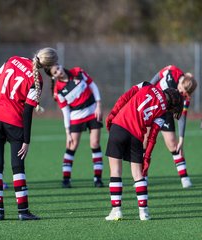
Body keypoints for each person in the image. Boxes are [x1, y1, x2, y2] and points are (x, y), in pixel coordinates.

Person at [0, 47, 58, 221]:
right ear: (48, 66)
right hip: (13, 121)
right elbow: (27, 111)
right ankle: (23, 211)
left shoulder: (13, 58)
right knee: (17, 167)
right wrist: (26, 139)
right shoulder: (37, 78)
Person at [104, 82, 183, 221]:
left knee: (115, 171)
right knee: (138, 174)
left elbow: (124, 97)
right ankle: (144, 212)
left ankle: (116, 211)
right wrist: (147, 157)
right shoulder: (163, 114)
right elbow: (152, 137)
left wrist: (112, 114)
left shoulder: (147, 85)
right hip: (136, 136)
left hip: (119, 126)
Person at [45, 65, 104, 188]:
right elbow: (65, 111)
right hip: (76, 117)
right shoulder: (58, 90)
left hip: (93, 112)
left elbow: (93, 86)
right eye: (55, 72)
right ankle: (66, 179)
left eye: (58, 68)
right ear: (53, 76)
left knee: (95, 143)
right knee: (72, 145)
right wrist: (67, 132)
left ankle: (98, 179)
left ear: (61, 66)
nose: (58, 72)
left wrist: (98, 105)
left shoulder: (77, 72)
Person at [148, 65, 197, 188]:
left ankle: (184, 177)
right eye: (181, 90)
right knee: (144, 141)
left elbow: (181, 117)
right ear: (181, 82)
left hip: (166, 113)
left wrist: (181, 139)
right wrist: (147, 89)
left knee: (173, 144)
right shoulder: (172, 70)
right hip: (152, 106)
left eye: (183, 93)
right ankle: (142, 176)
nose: (180, 93)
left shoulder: (186, 96)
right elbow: (157, 77)